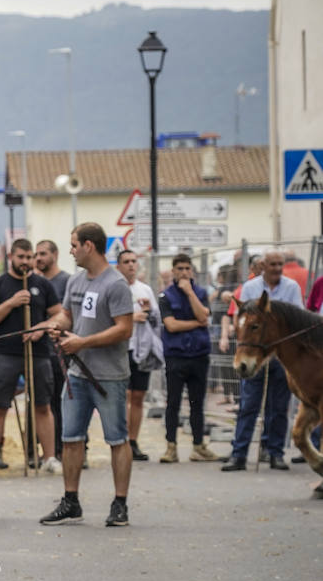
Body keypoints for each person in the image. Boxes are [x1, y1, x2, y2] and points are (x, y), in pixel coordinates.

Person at [40, 222, 135, 528]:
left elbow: (124, 328)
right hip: (78, 374)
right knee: (70, 439)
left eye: (73, 245)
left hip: (109, 376)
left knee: (117, 439)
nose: (70, 250)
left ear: (88, 246)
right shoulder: (76, 282)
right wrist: (57, 325)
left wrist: (82, 341)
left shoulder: (116, 284)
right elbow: (68, 314)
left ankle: (120, 503)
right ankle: (71, 501)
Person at [0, 239, 62, 472]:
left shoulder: (43, 285)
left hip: (39, 353)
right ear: (12, 258)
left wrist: (42, 327)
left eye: (29, 257)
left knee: (43, 406)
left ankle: (49, 458)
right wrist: (12, 303)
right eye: (21, 257)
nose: (26, 262)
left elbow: (60, 316)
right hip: (6, 354)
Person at [221, 251, 302, 472]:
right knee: (248, 405)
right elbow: (244, 320)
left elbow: (296, 318)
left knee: (278, 407)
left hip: (280, 356)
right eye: (273, 264)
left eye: (280, 264)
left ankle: (275, 453)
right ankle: (239, 454)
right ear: (263, 265)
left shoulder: (291, 287)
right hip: (256, 354)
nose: (277, 268)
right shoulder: (250, 288)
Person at [157, 253, 216, 463]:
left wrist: (189, 292)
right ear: (173, 271)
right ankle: (171, 446)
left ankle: (198, 445)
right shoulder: (165, 296)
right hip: (176, 356)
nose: (183, 272)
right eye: (179, 268)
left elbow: (203, 316)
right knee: (173, 402)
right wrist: (197, 324)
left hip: (199, 355)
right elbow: (171, 325)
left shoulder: (200, 293)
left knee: (197, 403)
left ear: (192, 271)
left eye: (187, 268)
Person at [116, 249, 161, 462]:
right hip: (121, 348)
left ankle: (133, 440)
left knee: (138, 396)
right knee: (123, 396)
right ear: (119, 265)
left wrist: (149, 311)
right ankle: (121, 439)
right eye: (126, 262)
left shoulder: (145, 290)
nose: (131, 265)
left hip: (141, 348)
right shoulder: (115, 288)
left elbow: (156, 321)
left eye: (134, 261)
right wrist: (131, 317)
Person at [33, 238, 70, 444]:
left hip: (60, 351)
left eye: (43, 254)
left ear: (54, 256)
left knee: (62, 401)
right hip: (40, 352)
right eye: (36, 254)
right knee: (42, 404)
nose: (38, 258)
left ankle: (69, 446)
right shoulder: (33, 282)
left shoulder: (66, 281)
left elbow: (67, 315)